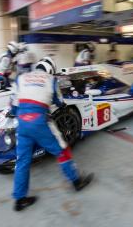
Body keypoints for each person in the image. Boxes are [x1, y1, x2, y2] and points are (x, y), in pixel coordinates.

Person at [11, 57, 94, 211]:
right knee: (62, 150)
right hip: (40, 122)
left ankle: (19, 199)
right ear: (51, 70)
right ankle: (77, 182)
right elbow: (59, 103)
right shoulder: (51, 80)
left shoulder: (21, 78)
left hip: (21, 123)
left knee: (22, 161)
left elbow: (13, 106)